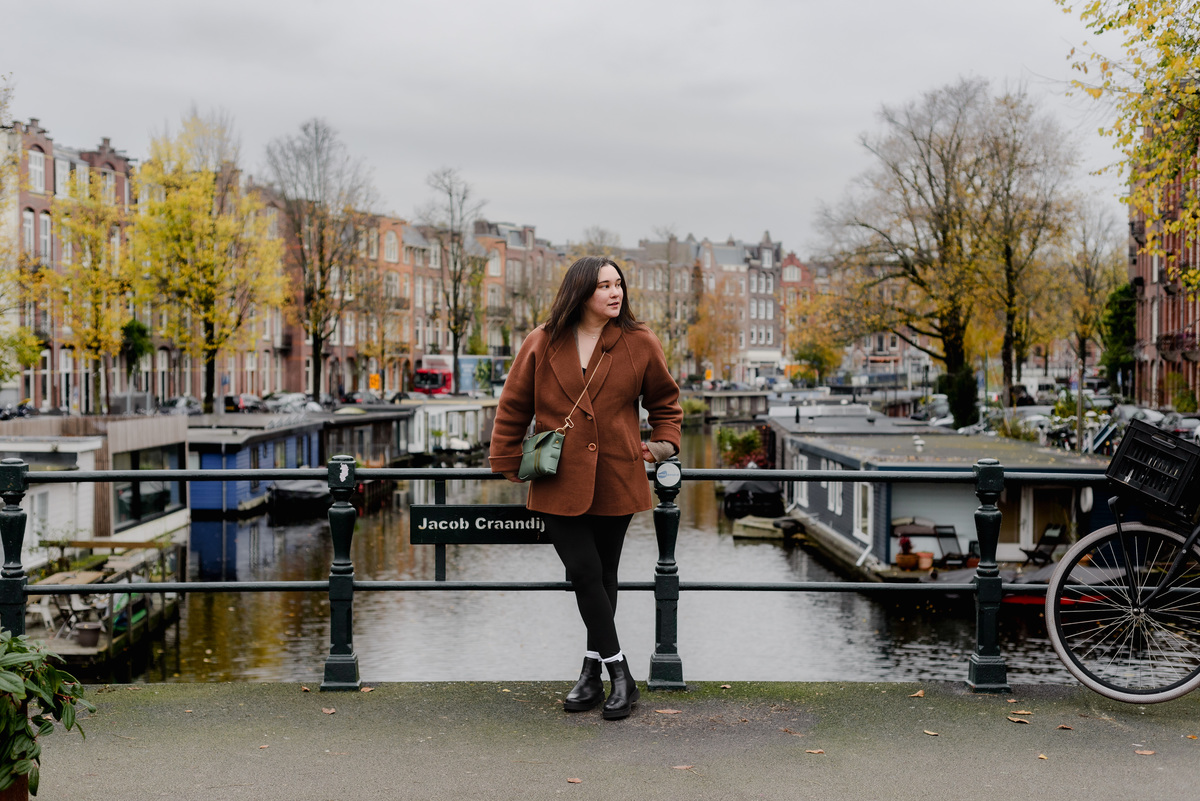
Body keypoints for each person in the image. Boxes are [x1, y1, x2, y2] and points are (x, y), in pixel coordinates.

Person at [488, 255, 682, 720]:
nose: (615, 293)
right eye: (603, 286)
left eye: (619, 284)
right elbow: (514, 404)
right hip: (557, 479)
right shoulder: (542, 341)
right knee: (584, 573)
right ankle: (621, 674)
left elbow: (666, 403)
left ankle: (590, 673)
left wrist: (659, 448)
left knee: (604, 576)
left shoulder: (639, 342)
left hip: (617, 474)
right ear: (580, 292)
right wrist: (508, 459)